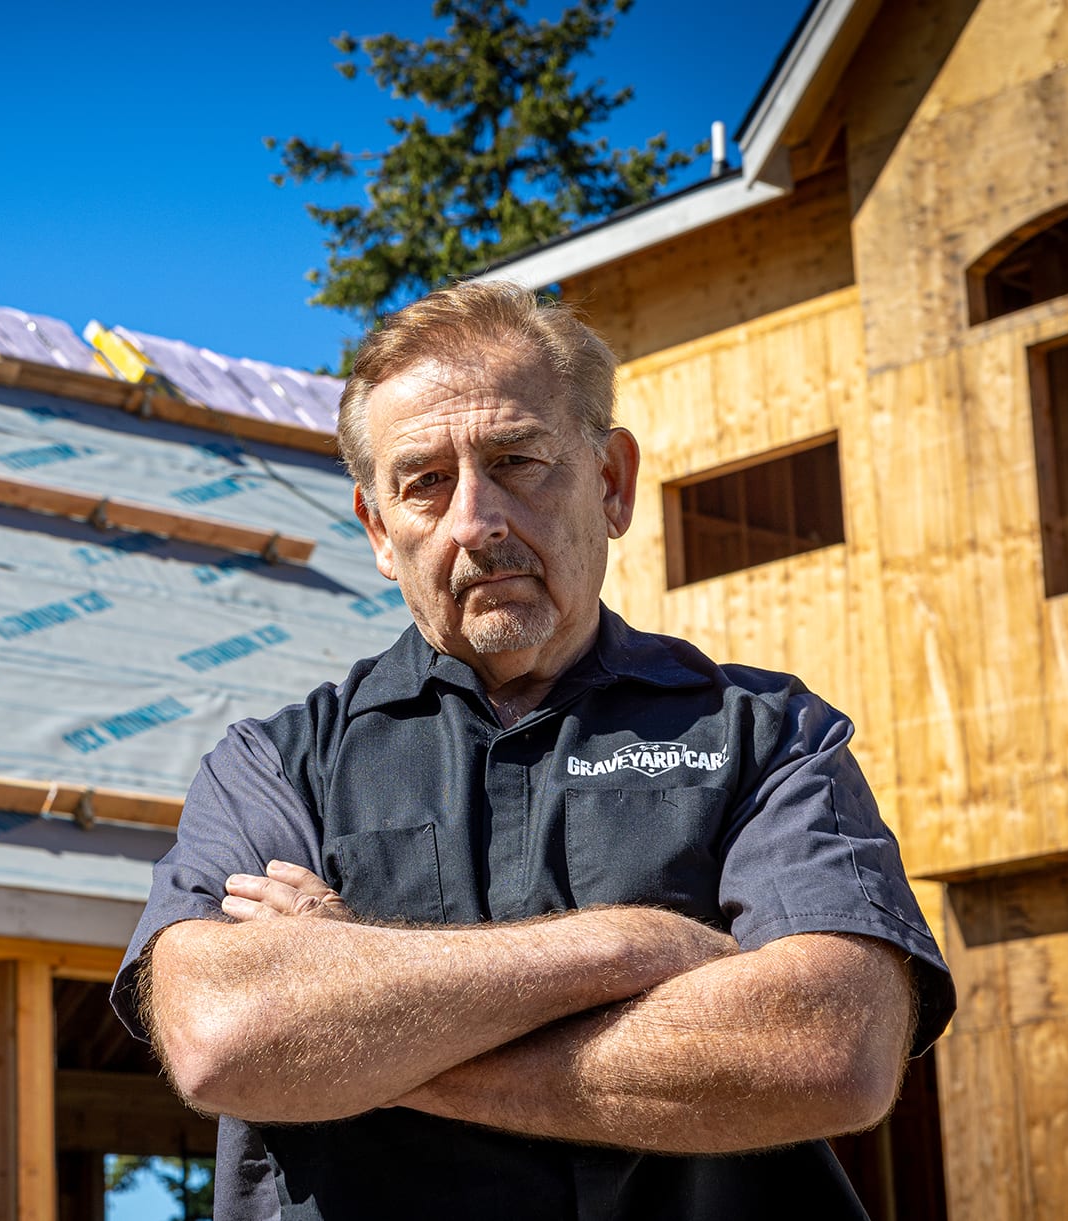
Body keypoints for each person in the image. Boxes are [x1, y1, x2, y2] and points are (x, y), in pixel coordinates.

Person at [110, 279, 955, 1220]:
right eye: (424, 481)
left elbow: (826, 1051)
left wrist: (362, 1026)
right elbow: (225, 1036)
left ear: (610, 482)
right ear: (378, 531)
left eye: (516, 460)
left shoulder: (768, 739)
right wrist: (638, 942)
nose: (475, 521)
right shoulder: (274, 766)